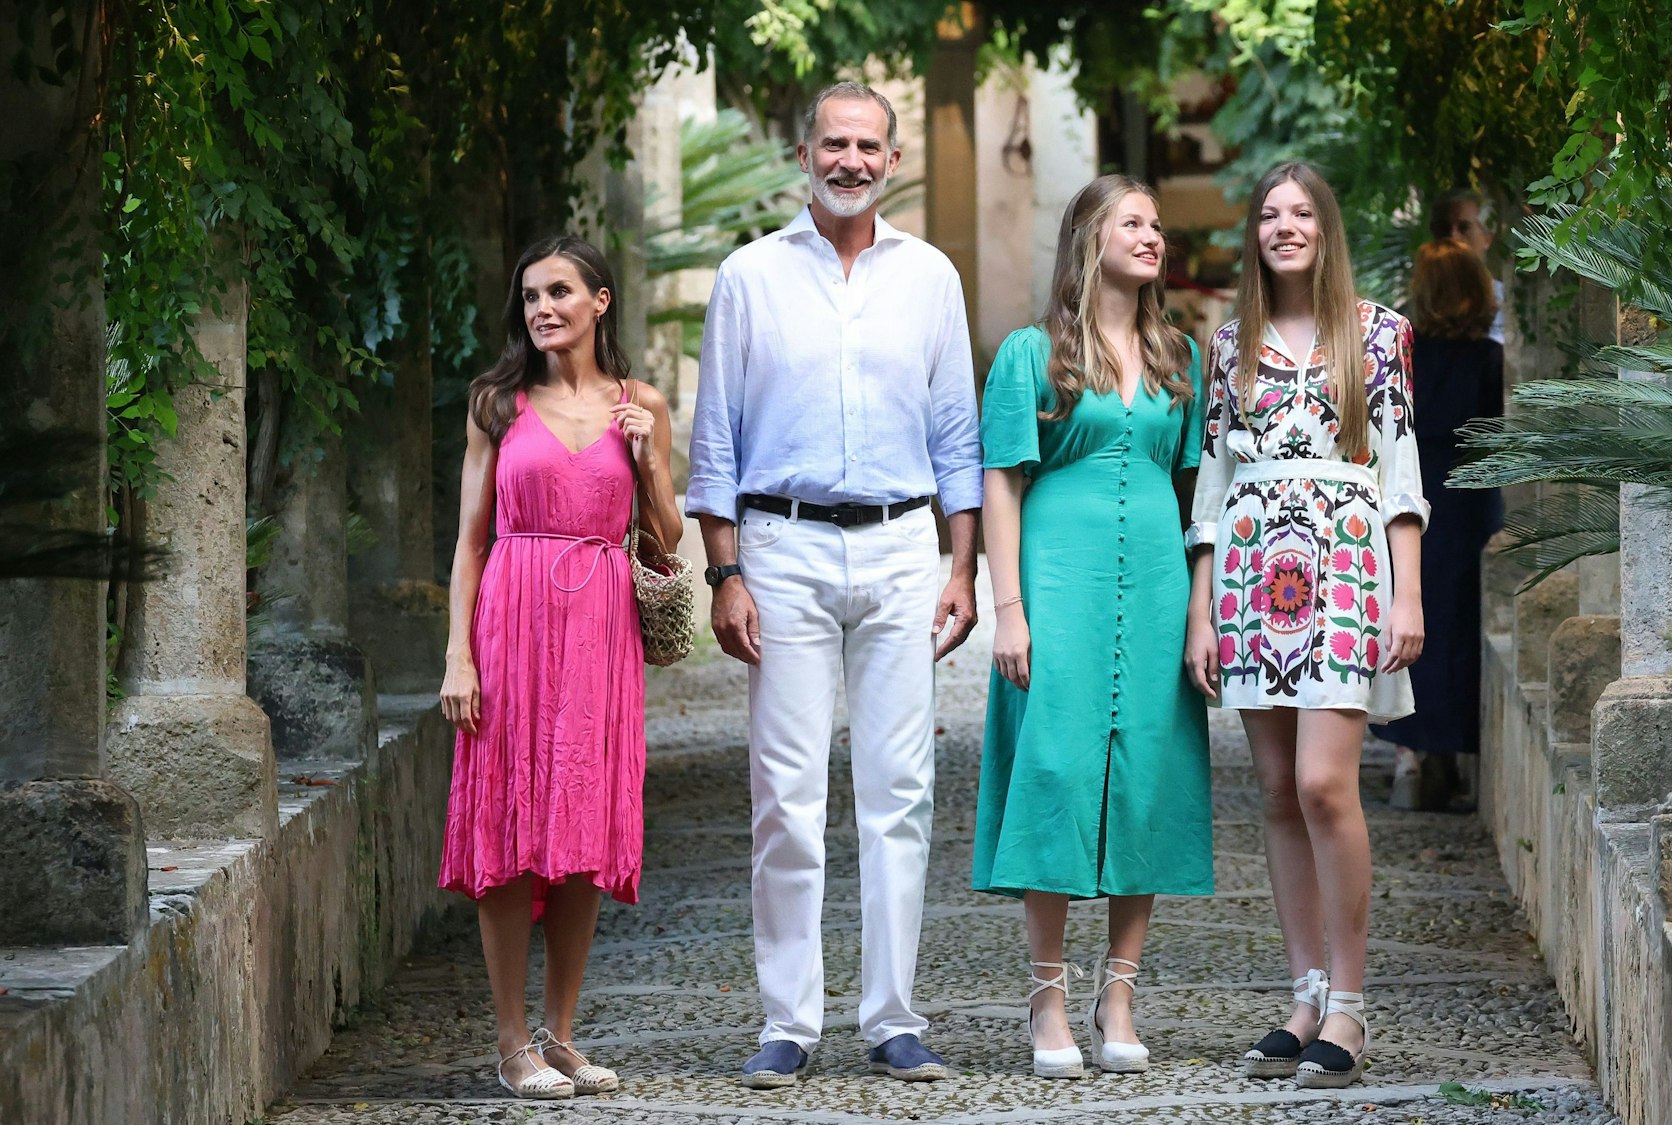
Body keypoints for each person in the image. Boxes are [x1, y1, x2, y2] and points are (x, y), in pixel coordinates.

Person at [687, 81, 981, 1090]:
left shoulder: (931, 277)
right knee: (785, 794)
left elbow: (956, 433)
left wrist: (961, 562)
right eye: (833, 144)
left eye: (867, 146)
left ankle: (894, 1018)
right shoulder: (747, 277)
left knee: (900, 792)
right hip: (784, 546)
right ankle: (788, 1022)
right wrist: (725, 573)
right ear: (802, 153)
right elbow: (715, 437)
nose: (850, 160)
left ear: (889, 161)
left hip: (903, 546)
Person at [1184, 162, 1428, 1089]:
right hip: (1251, 574)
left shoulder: (1381, 333)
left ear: (1325, 228)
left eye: (1301, 214)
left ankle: (1353, 1008)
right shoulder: (1229, 344)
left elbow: (1401, 470)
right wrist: (1201, 608)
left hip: (1345, 566)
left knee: (1328, 783)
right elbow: (1210, 483)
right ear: (1254, 234)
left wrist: (1407, 594)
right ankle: (1305, 991)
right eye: (1268, 215)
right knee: (1280, 790)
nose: (1284, 227)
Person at [975, 174, 1214, 1080]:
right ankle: (1047, 996)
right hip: (1060, 583)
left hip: (1154, 586)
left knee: (1144, 772)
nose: (1153, 236)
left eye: (1158, 224)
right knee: (1056, 769)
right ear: (1089, 235)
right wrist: (1009, 607)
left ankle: (1119, 993)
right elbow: (1001, 480)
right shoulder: (1029, 355)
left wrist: (1201, 610)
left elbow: (1200, 498)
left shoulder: (1178, 358)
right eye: (1134, 222)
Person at [438, 236, 682, 1100]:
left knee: (580, 832)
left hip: (601, 628)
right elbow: (470, 543)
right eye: (532, 295)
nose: (543, 307)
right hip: (513, 618)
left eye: (561, 291)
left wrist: (649, 451)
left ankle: (560, 1033)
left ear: (600, 302)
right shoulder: (497, 404)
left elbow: (665, 539)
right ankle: (510, 1042)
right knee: (508, 829)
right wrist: (458, 654)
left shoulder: (640, 401)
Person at [1370, 239, 1504, 805]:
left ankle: (1412, 754)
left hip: (1411, 492)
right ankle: (1447, 751)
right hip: (1470, 497)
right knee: (1455, 620)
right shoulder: (1489, 361)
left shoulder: (1406, 354)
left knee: (1407, 608)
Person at [1429, 189, 1505, 344]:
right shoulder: (1423, 305)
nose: (1453, 237)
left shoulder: (1508, 303)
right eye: (1444, 228)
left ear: (1487, 239)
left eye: (1464, 228)